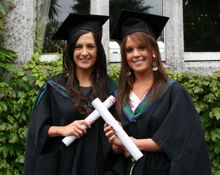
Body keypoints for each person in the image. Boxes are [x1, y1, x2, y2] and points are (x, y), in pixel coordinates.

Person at [104, 10, 211, 175]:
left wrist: (132, 143)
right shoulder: (119, 96)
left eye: (142, 48)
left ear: (153, 50)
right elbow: (113, 150)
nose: (136, 54)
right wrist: (115, 143)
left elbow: (180, 138)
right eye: (129, 50)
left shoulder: (173, 92)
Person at [24, 13, 117, 175]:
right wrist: (63, 130)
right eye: (78, 46)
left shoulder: (111, 89)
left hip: (97, 167)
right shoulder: (54, 88)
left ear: (98, 50)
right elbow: (36, 130)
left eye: (90, 46)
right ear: (71, 50)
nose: (84, 52)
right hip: (61, 166)